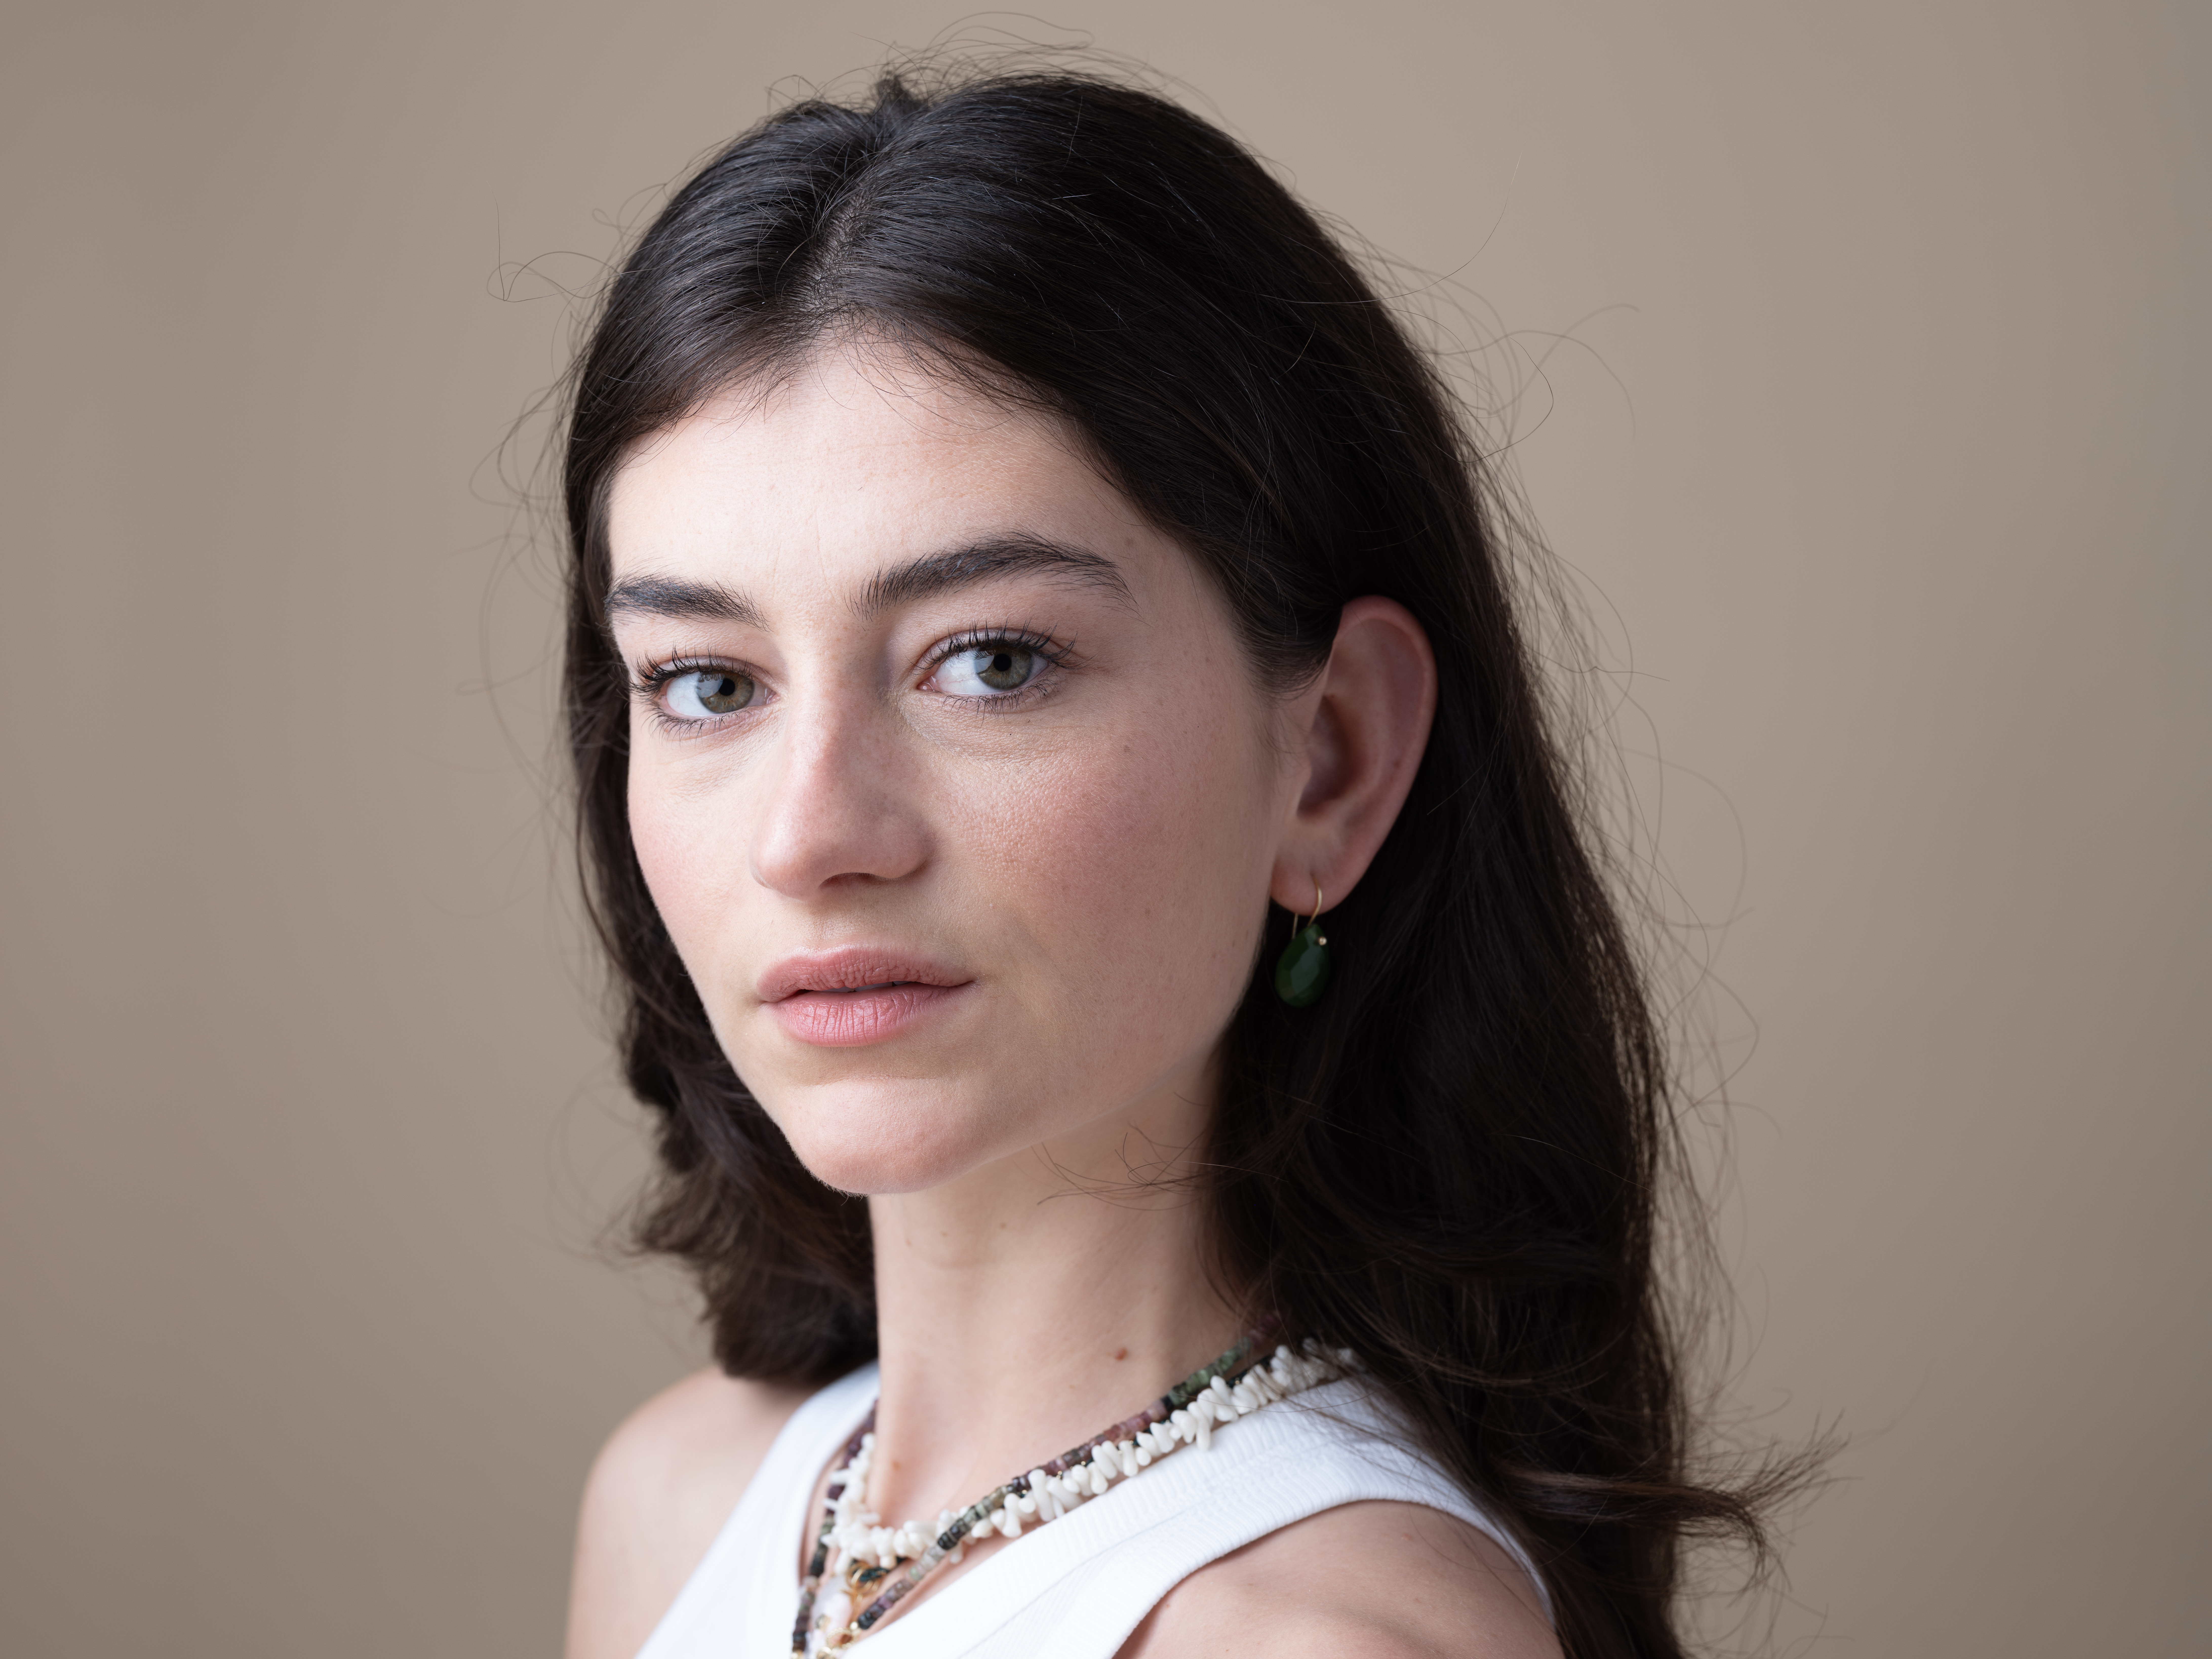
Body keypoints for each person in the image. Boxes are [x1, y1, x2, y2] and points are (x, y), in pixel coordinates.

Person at [556, 65, 1780, 1659]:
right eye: (709, 682)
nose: (810, 836)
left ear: (1331, 757)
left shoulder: (1324, 1641)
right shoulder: (681, 1502)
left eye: (989, 661)